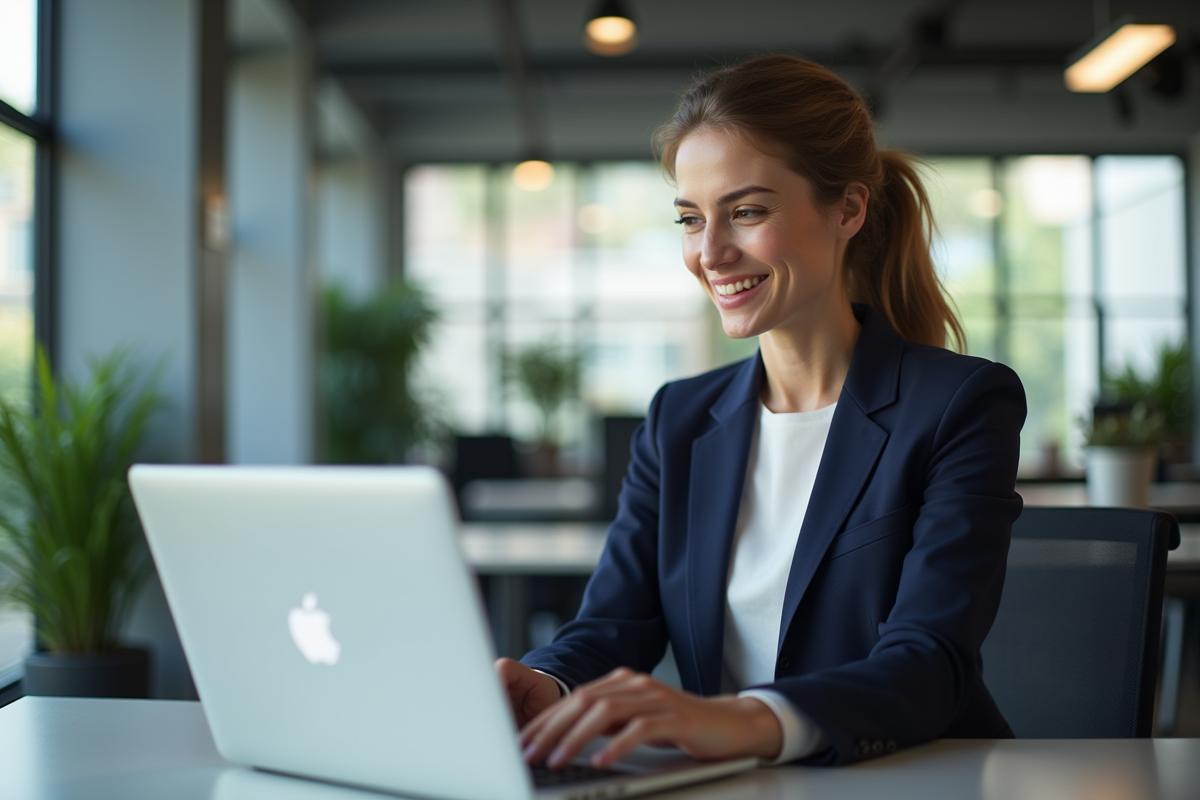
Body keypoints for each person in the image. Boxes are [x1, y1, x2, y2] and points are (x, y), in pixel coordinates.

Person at [495, 54, 1026, 769]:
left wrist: (747, 721)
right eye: (690, 218)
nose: (709, 252)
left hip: (905, 780)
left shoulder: (958, 404)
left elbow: (929, 661)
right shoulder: (679, 419)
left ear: (849, 209)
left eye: (746, 212)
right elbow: (613, 626)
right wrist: (546, 683)